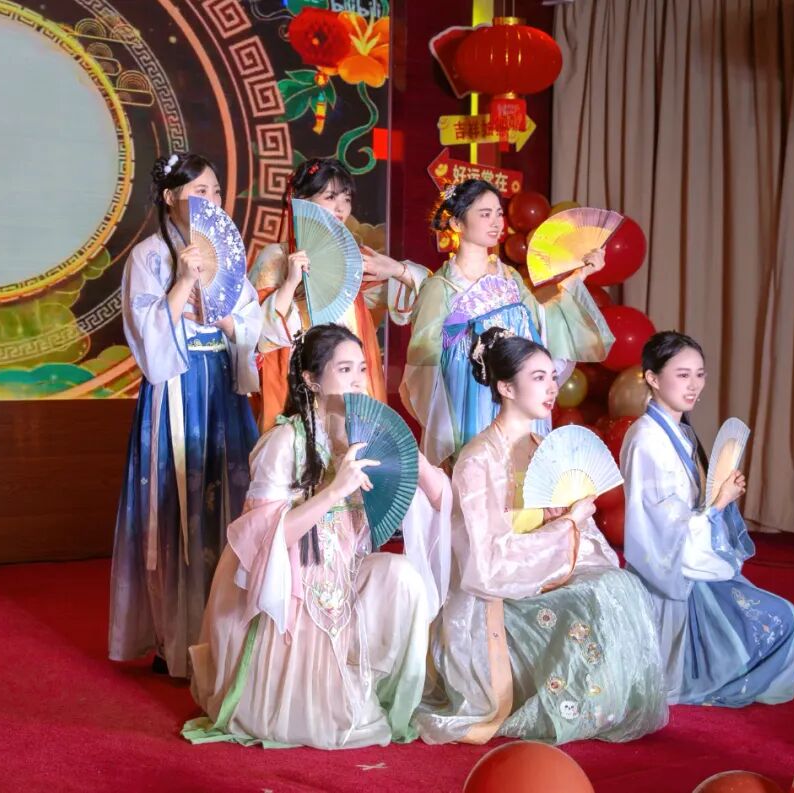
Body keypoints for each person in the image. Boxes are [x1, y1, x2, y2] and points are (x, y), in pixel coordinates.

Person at [185, 324, 452, 749]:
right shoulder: (284, 441)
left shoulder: (367, 436)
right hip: (289, 585)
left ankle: (377, 683)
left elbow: (441, 499)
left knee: (403, 577)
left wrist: (410, 455)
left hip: (343, 575)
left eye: (362, 369)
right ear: (311, 380)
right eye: (344, 370)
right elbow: (264, 539)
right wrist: (334, 491)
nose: (358, 381)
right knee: (327, 725)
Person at [417, 327, 667, 745]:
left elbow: (581, 542)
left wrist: (568, 523)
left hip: (543, 572)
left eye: (552, 377)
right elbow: (486, 562)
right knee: (601, 592)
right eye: (538, 378)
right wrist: (565, 525)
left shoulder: (542, 448)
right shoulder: (478, 459)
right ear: (505, 387)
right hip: (496, 595)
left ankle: (600, 706)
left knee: (618, 585)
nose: (552, 388)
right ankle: (565, 706)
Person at [109, 153, 262, 678]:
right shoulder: (149, 256)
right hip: (176, 387)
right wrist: (181, 282)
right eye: (200, 192)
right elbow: (148, 338)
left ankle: (226, 630)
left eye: (216, 191)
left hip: (220, 383)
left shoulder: (228, 252)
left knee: (228, 499)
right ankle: (174, 638)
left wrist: (228, 322)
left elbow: (249, 322)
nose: (211, 201)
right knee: (176, 504)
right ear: (170, 197)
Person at [621, 330, 794, 706]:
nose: (694, 385)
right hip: (672, 574)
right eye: (682, 374)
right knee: (784, 621)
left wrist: (720, 497)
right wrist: (718, 503)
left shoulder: (678, 432)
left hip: (691, 562)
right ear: (652, 378)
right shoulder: (646, 439)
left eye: (699, 374)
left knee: (786, 621)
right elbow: (660, 527)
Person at [402, 179, 615, 467]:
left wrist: (580, 275)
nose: (496, 222)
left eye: (499, 213)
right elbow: (424, 364)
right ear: (456, 223)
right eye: (484, 214)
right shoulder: (441, 287)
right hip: (472, 406)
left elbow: (541, 322)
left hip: (519, 400)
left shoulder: (509, 277)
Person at [249, 157, 429, 431]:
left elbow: (430, 296)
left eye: (346, 199)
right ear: (302, 200)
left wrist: (396, 269)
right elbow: (256, 332)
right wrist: (290, 283)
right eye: (330, 197)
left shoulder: (354, 259)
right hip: (298, 378)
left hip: (351, 379)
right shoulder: (275, 257)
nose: (341, 207)